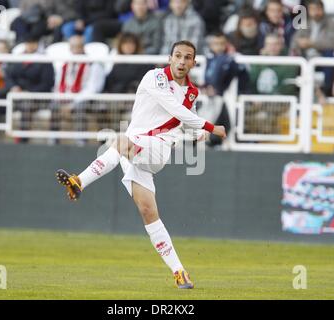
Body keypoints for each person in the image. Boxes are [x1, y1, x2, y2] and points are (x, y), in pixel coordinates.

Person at [55, 40, 226, 289]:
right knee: (148, 212)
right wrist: (209, 127)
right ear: (169, 58)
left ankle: (79, 181)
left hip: (156, 149)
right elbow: (174, 109)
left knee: (120, 141)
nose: (181, 61)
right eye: (177, 55)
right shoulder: (154, 77)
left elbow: (185, 122)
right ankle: (180, 272)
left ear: (193, 63)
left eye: (187, 57)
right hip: (136, 150)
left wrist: (197, 133)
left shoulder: (191, 93)